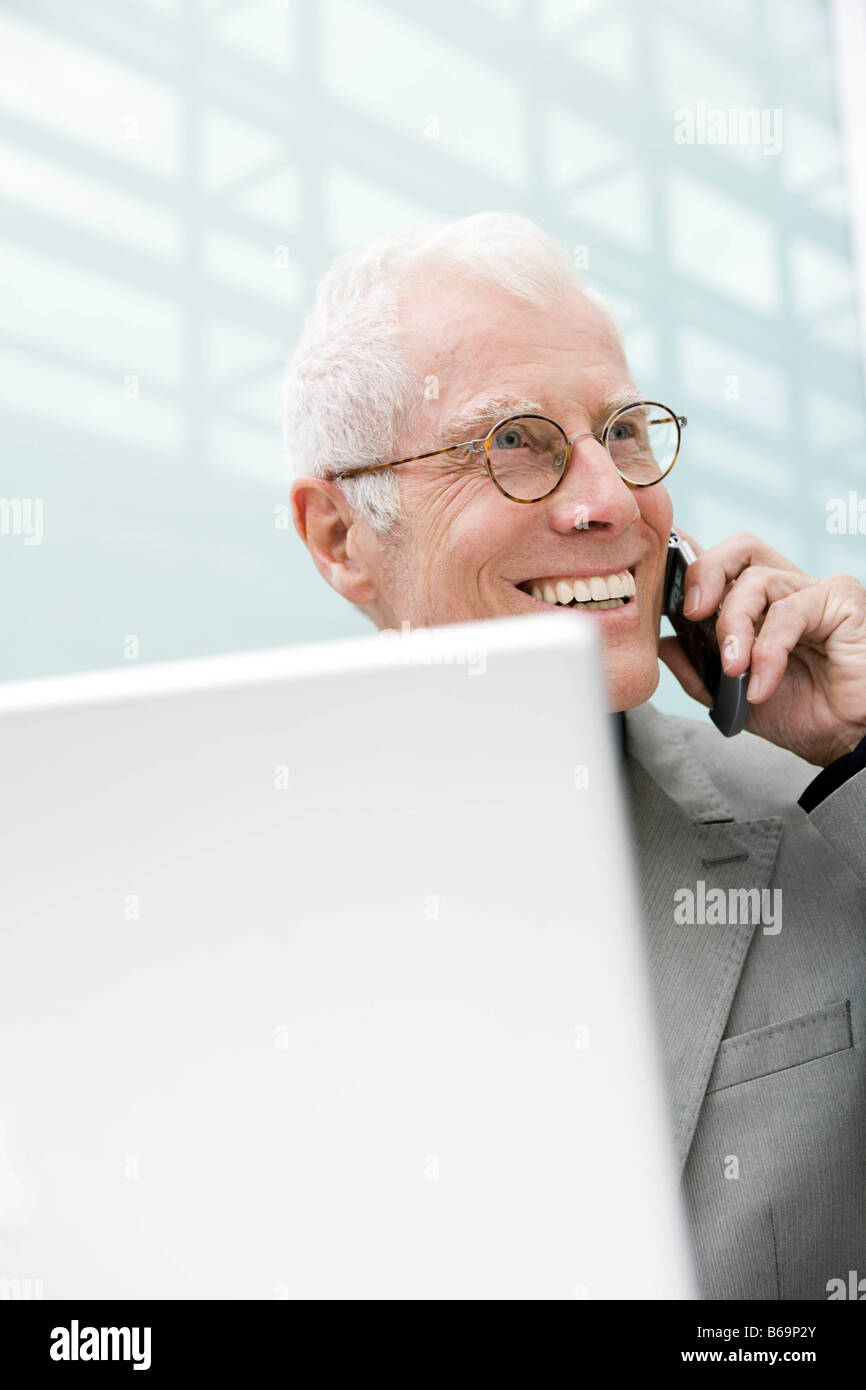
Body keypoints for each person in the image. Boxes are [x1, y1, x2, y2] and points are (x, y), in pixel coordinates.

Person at [285, 212, 866, 1300]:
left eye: (624, 433)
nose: (610, 504)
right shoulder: (219, 888)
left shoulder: (826, 809)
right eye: (512, 441)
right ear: (339, 538)